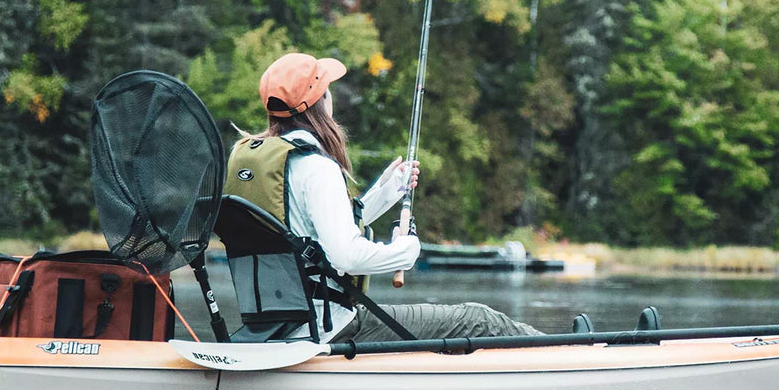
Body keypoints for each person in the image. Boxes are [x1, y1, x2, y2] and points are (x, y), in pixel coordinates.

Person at [225, 51, 542, 343]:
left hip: (272, 327)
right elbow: (345, 257)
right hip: (329, 327)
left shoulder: (257, 160)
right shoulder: (316, 167)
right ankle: (571, 350)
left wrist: (387, 191)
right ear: (320, 102)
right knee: (477, 319)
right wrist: (405, 252)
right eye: (328, 90)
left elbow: (308, 234)